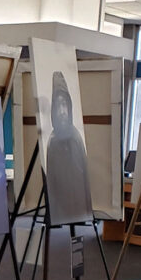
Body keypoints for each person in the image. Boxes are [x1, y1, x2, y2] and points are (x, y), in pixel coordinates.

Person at [44, 70, 92, 225]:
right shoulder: (52, 141)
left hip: (78, 208)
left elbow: (84, 179)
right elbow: (52, 183)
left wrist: (86, 211)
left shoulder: (76, 137)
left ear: (69, 107)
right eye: (58, 106)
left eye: (64, 105)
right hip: (61, 211)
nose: (62, 111)